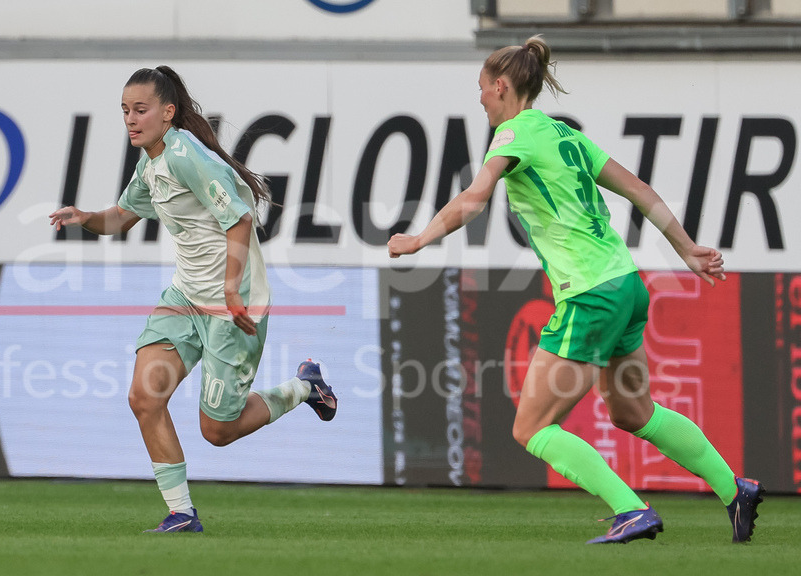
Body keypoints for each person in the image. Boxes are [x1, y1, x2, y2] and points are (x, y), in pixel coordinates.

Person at [387, 36, 763, 544]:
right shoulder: (565, 134)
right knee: (634, 412)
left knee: (531, 428)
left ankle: (631, 509)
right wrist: (687, 248)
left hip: (589, 294)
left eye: (481, 88)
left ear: (502, 86)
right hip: (625, 284)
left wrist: (418, 239)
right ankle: (735, 489)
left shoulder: (513, 133)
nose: (480, 99)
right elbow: (640, 190)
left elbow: (475, 198)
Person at [49, 66, 337, 533]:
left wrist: (230, 288)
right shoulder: (151, 163)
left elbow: (240, 218)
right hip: (184, 298)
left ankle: (305, 387)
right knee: (144, 398)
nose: (131, 119)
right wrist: (86, 217)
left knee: (217, 431)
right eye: (125, 111)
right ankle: (181, 514)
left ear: (167, 113)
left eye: (140, 110)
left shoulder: (185, 155)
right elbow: (121, 217)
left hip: (234, 305)